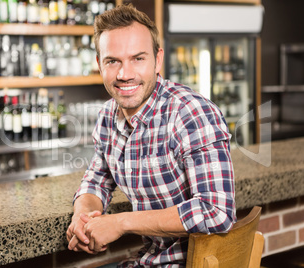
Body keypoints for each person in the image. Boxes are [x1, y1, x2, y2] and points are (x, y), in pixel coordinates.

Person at [66, 4, 236, 267]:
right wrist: (83, 218)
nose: (125, 74)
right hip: (147, 261)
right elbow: (96, 181)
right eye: (113, 61)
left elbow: (216, 212)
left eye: (138, 58)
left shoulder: (190, 113)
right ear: (100, 65)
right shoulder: (108, 117)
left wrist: (121, 223)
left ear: (157, 60)